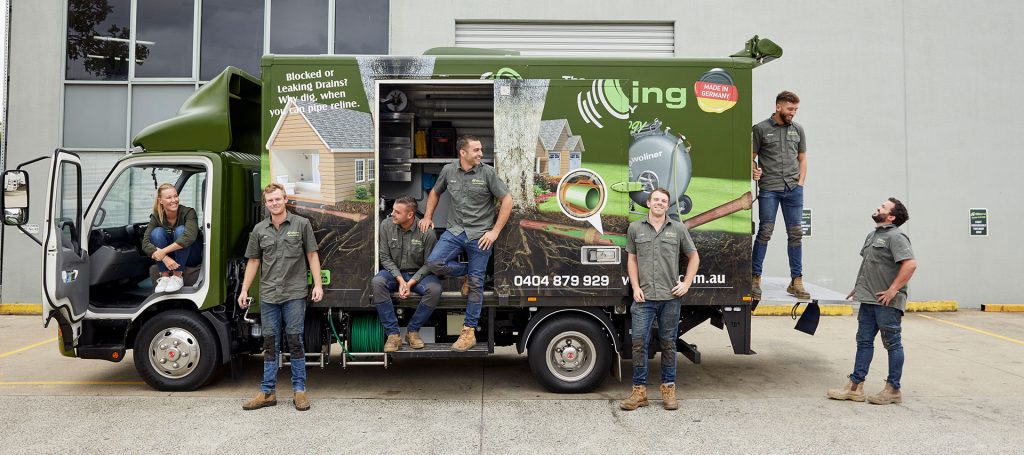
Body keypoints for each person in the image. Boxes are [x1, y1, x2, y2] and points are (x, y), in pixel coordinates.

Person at [418, 135, 512, 352]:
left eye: (481, 150)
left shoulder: (487, 173)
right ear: (463, 153)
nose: (481, 153)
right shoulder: (448, 170)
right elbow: (435, 192)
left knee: (477, 285)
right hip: (455, 231)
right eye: (476, 150)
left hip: (480, 235)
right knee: (434, 263)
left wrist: (494, 232)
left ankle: (468, 332)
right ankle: (469, 273)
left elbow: (507, 200)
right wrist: (428, 217)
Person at [237, 183, 323, 411]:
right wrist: (244, 289)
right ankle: (267, 393)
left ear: (286, 200)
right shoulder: (259, 230)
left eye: (278, 199)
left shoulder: (301, 224)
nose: (274, 203)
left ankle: (299, 391)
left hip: (294, 293)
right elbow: (253, 261)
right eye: (270, 200)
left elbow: (312, 255)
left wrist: (318, 284)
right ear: (265, 204)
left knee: (295, 341)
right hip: (269, 295)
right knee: (270, 343)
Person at [828, 198, 916, 405]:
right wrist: (859, 286)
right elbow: (870, 265)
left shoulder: (897, 236)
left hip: (886, 303)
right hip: (868, 299)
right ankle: (855, 387)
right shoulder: (873, 235)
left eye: (883, 207)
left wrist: (893, 290)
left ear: (891, 216)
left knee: (892, 344)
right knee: (864, 342)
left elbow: (910, 264)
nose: (878, 207)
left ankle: (893, 389)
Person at [620, 188, 699, 411]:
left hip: (670, 298)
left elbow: (693, 256)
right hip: (643, 298)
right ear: (648, 203)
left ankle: (668, 390)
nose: (659, 203)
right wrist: (635, 287)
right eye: (656, 199)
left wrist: (686, 284)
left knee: (668, 344)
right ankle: (639, 392)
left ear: (668, 205)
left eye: (664, 201)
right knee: (638, 344)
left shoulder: (678, 229)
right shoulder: (636, 228)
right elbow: (632, 260)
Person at [751, 90, 809, 300]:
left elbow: (802, 159)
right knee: (765, 231)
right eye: (790, 109)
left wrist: (801, 183)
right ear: (778, 107)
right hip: (769, 189)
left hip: (794, 189)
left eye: (795, 109)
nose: (793, 113)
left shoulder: (798, 130)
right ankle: (755, 278)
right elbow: (751, 157)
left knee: (796, 234)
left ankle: (796, 281)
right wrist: (753, 169)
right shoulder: (760, 129)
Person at [372, 196, 442, 352]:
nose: (392, 214)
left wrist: (410, 283)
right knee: (377, 283)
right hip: (394, 273)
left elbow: (429, 264)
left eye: (397, 212)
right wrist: (400, 280)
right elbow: (384, 257)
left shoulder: (427, 232)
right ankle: (393, 335)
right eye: (393, 210)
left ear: (410, 215)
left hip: (419, 274)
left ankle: (413, 331)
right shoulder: (386, 225)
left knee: (435, 289)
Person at [142, 183, 201, 293]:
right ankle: (164, 276)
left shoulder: (189, 212)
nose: (174, 200)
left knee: (181, 230)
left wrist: (163, 252)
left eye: (175, 196)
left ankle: (178, 276)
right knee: (156, 233)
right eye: (169, 197)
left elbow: (188, 238)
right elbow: (145, 243)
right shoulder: (156, 216)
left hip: (192, 255)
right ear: (160, 201)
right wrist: (164, 257)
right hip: (171, 257)